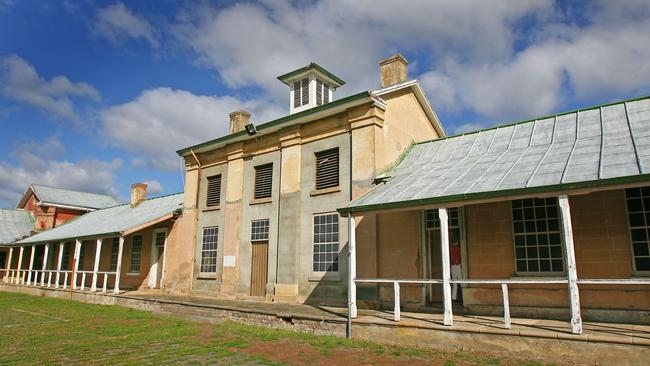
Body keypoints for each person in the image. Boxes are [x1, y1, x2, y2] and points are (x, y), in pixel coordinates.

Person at [449, 231, 462, 301]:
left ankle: (453, 298)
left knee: (454, 283)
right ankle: (463, 297)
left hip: (452, 266)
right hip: (457, 266)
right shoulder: (458, 249)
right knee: (462, 282)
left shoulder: (450, 249)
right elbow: (460, 258)